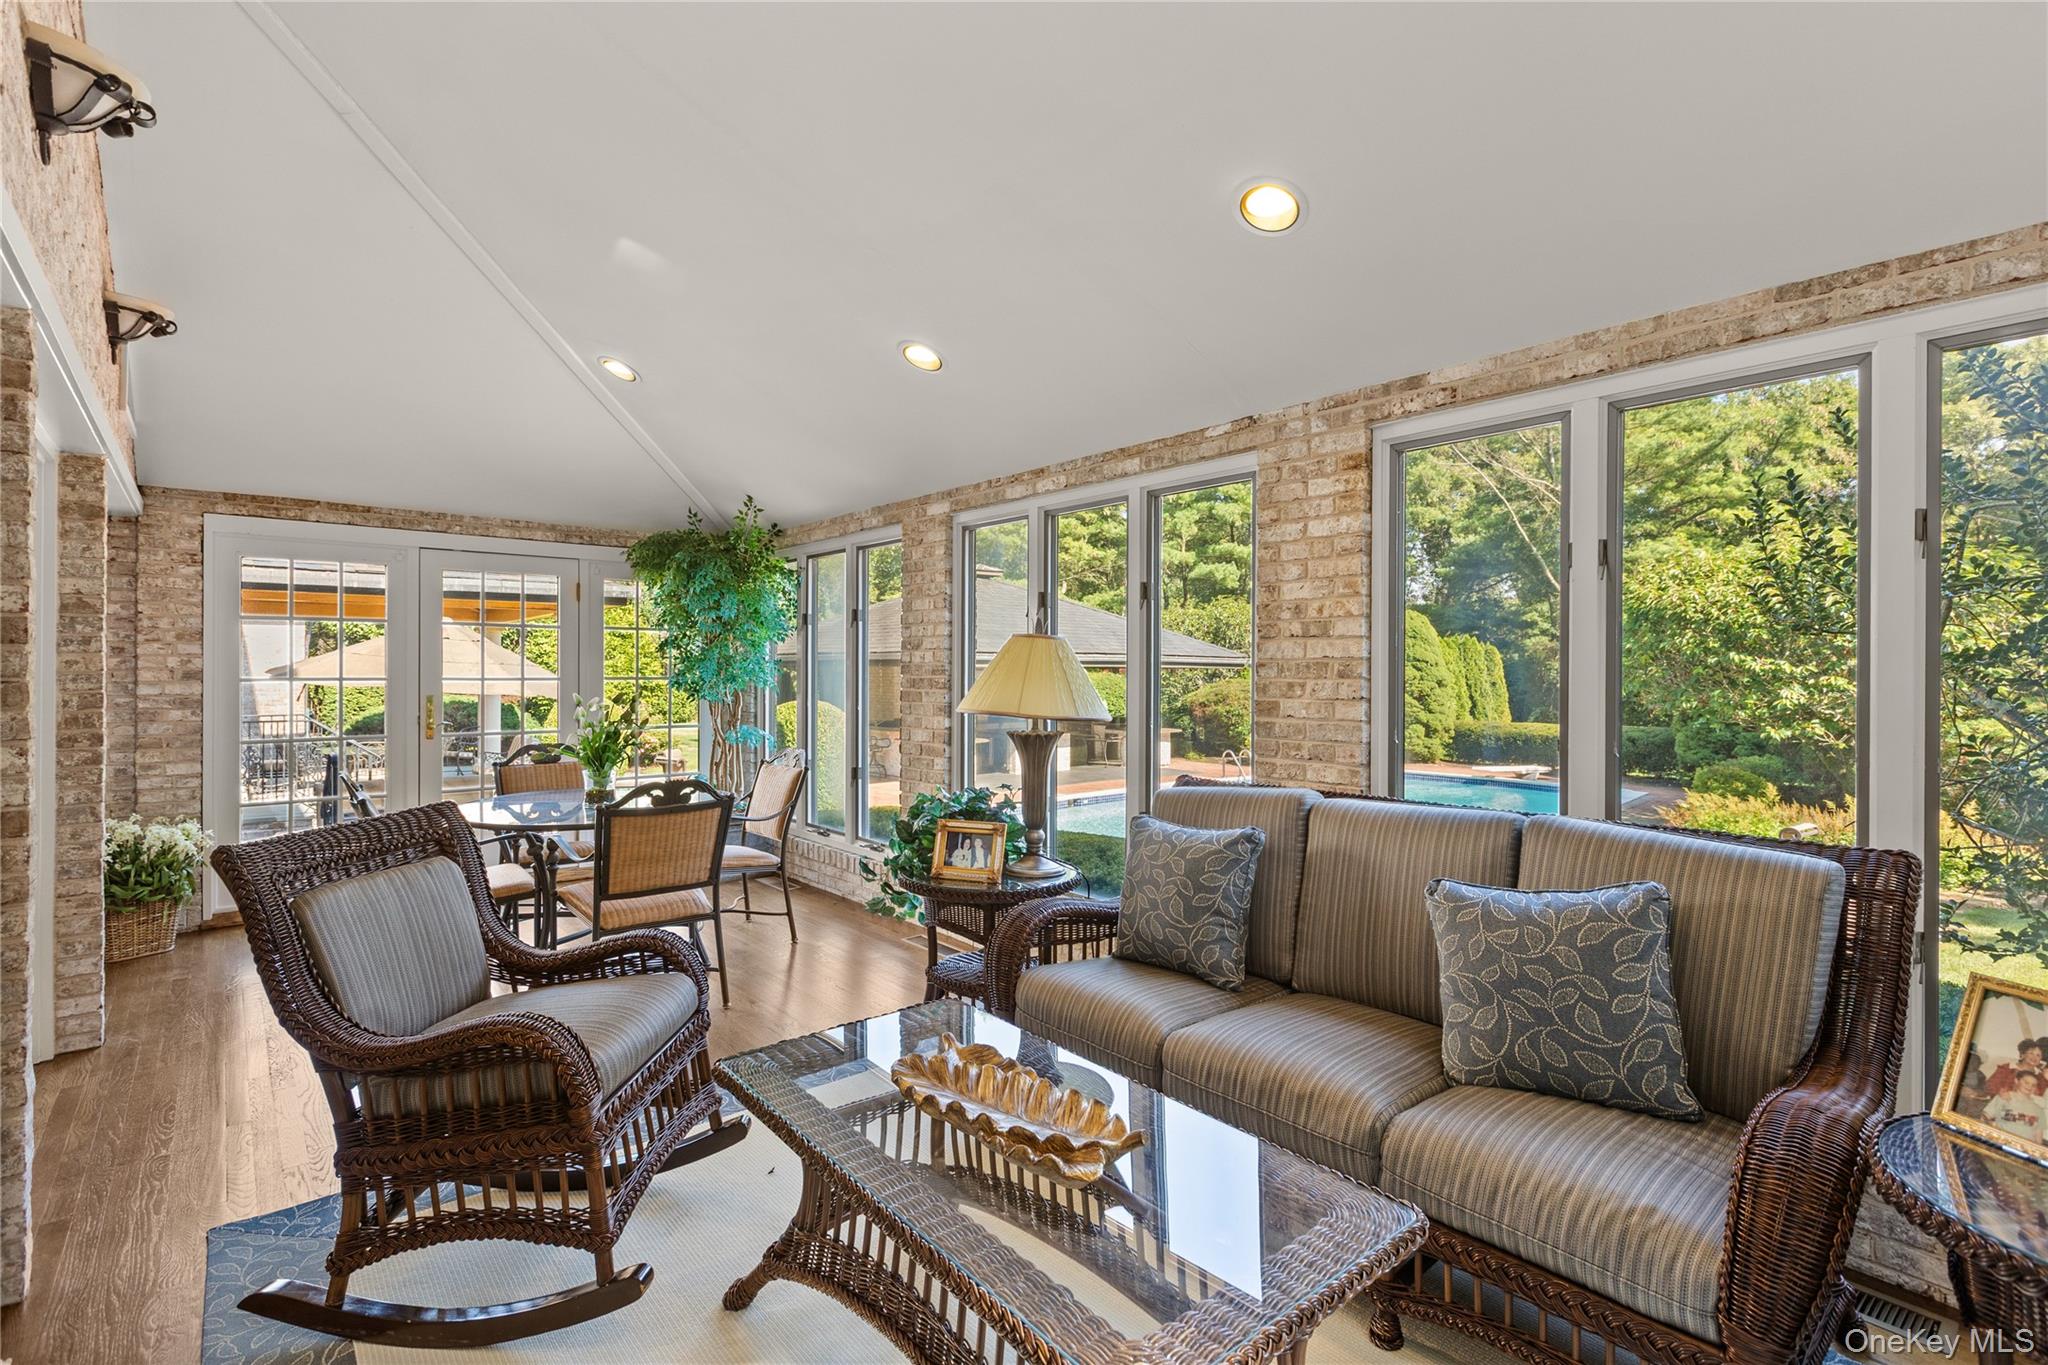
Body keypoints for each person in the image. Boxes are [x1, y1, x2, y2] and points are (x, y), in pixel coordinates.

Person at [1983, 1070, 2048, 1140]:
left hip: (2025, 1147)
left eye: (2033, 1085)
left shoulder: (2038, 1107)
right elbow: (1985, 1117)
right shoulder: (2004, 1097)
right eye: (2026, 1083)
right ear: (2016, 1081)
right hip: (2001, 1141)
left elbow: (2038, 1134)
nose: (2030, 1087)